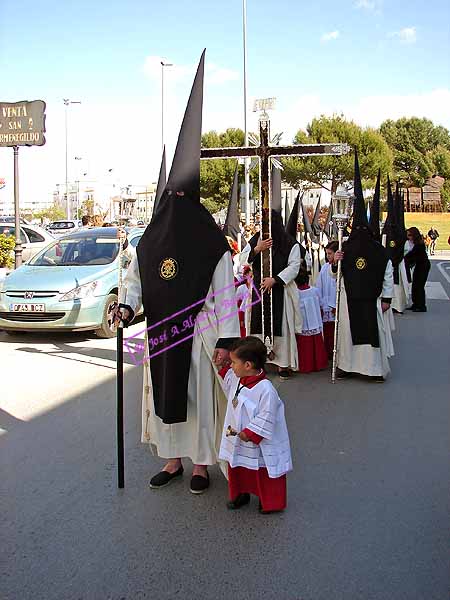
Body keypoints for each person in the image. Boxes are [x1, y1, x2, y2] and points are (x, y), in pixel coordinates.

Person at [115, 51, 240, 495]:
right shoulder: (149, 241)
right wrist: (126, 307)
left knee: (200, 402)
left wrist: (227, 344)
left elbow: (225, 293)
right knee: (166, 399)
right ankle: (172, 461)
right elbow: (135, 277)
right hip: (161, 335)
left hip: (201, 335)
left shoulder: (211, 244)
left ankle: (202, 465)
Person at [332, 152, 394, 382]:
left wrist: (387, 298)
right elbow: (336, 275)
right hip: (350, 299)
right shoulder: (346, 248)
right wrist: (335, 261)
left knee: (369, 335)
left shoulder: (376, 251)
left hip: (371, 300)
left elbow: (388, 274)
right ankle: (347, 367)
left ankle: (373, 370)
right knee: (349, 336)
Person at [218, 336, 292, 513]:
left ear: (248, 365)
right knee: (238, 466)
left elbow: (267, 416)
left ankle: (269, 502)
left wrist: (251, 433)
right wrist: (222, 368)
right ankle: (241, 494)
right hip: (237, 436)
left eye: (234, 362)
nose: (231, 366)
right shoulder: (239, 378)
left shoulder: (266, 389)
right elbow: (229, 385)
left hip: (258, 441)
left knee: (262, 470)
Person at [240, 210, 302, 380]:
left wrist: (275, 279)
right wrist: (257, 249)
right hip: (259, 291)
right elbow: (242, 260)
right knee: (257, 326)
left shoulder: (289, 243)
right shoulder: (256, 239)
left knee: (281, 326)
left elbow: (294, 265)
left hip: (280, 290)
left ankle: (283, 364)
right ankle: (258, 362)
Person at [295, 268, 328, 373]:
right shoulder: (315, 291)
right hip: (315, 322)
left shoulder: (296, 294)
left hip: (302, 325)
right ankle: (319, 364)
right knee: (316, 345)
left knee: (305, 347)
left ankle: (306, 366)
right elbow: (322, 305)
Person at [315, 241, 338, 359]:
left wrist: (335, 305)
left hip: (336, 305)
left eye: (330, 253)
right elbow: (319, 287)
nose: (328, 256)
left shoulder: (342, 267)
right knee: (328, 331)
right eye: (327, 253)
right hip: (326, 304)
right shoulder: (324, 268)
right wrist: (322, 304)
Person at [404, 227, 431, 312]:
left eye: (410, 235)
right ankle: (416, 304)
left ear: (414, 235)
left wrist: (404, 259)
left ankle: (421, 305)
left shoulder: (419, 245)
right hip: (420, 265)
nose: (408, 237)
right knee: (415, 285)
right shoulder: (416, 243)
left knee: (419, 285)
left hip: (423, 266)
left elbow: (412, 255)